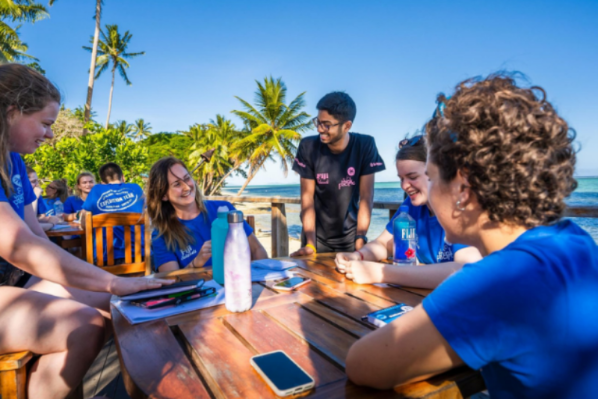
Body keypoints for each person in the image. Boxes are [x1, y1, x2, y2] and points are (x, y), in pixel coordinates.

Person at [345, 74, 598, 398]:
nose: (426, 191)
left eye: (432, 179)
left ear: (463, 188)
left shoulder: (500, 281)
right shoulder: (575, 239)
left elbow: (363, 364)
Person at [0, 63, 170, 398]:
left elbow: (35, 236)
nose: (50, 134)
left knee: (119, 304)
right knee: (85, 325)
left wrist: (115, 286)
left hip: (13, 284)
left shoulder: (14, 162)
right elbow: (17, 245)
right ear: (12, 112)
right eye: (46, 124)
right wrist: (113, 278)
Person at [335, 135, 481, 288]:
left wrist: (383, 273)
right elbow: (383, 243)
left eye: (412, 177)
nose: (404, 186)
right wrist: (358, 256)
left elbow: (467, 271)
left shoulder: (461, 208)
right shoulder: (411, 206)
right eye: (401, 179)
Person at [291, 92, 386, 256]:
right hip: (315, 238)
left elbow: (366, 197)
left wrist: (360, 238)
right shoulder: (308, 146)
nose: (320, 129)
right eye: (318, 122)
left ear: (347, 126)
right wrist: (311, 245)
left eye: (327, 125)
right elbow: (307, 199)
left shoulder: (365, 145)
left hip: (351, 238)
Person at [147, 157, 268, 273]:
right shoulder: (161, 235)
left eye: (187, 178)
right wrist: (195, 263)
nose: (186, 186)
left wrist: (263, 281)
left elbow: (257, 249)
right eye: (177, 184)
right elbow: (171, 282)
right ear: (163, 195)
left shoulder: (223, 210)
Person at [82, 162, 145, 262]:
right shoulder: (136, 188)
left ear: (102, 182)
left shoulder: (96, 190)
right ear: (122, 177)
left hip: (104, 259)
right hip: (139, 257)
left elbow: (84, 222)